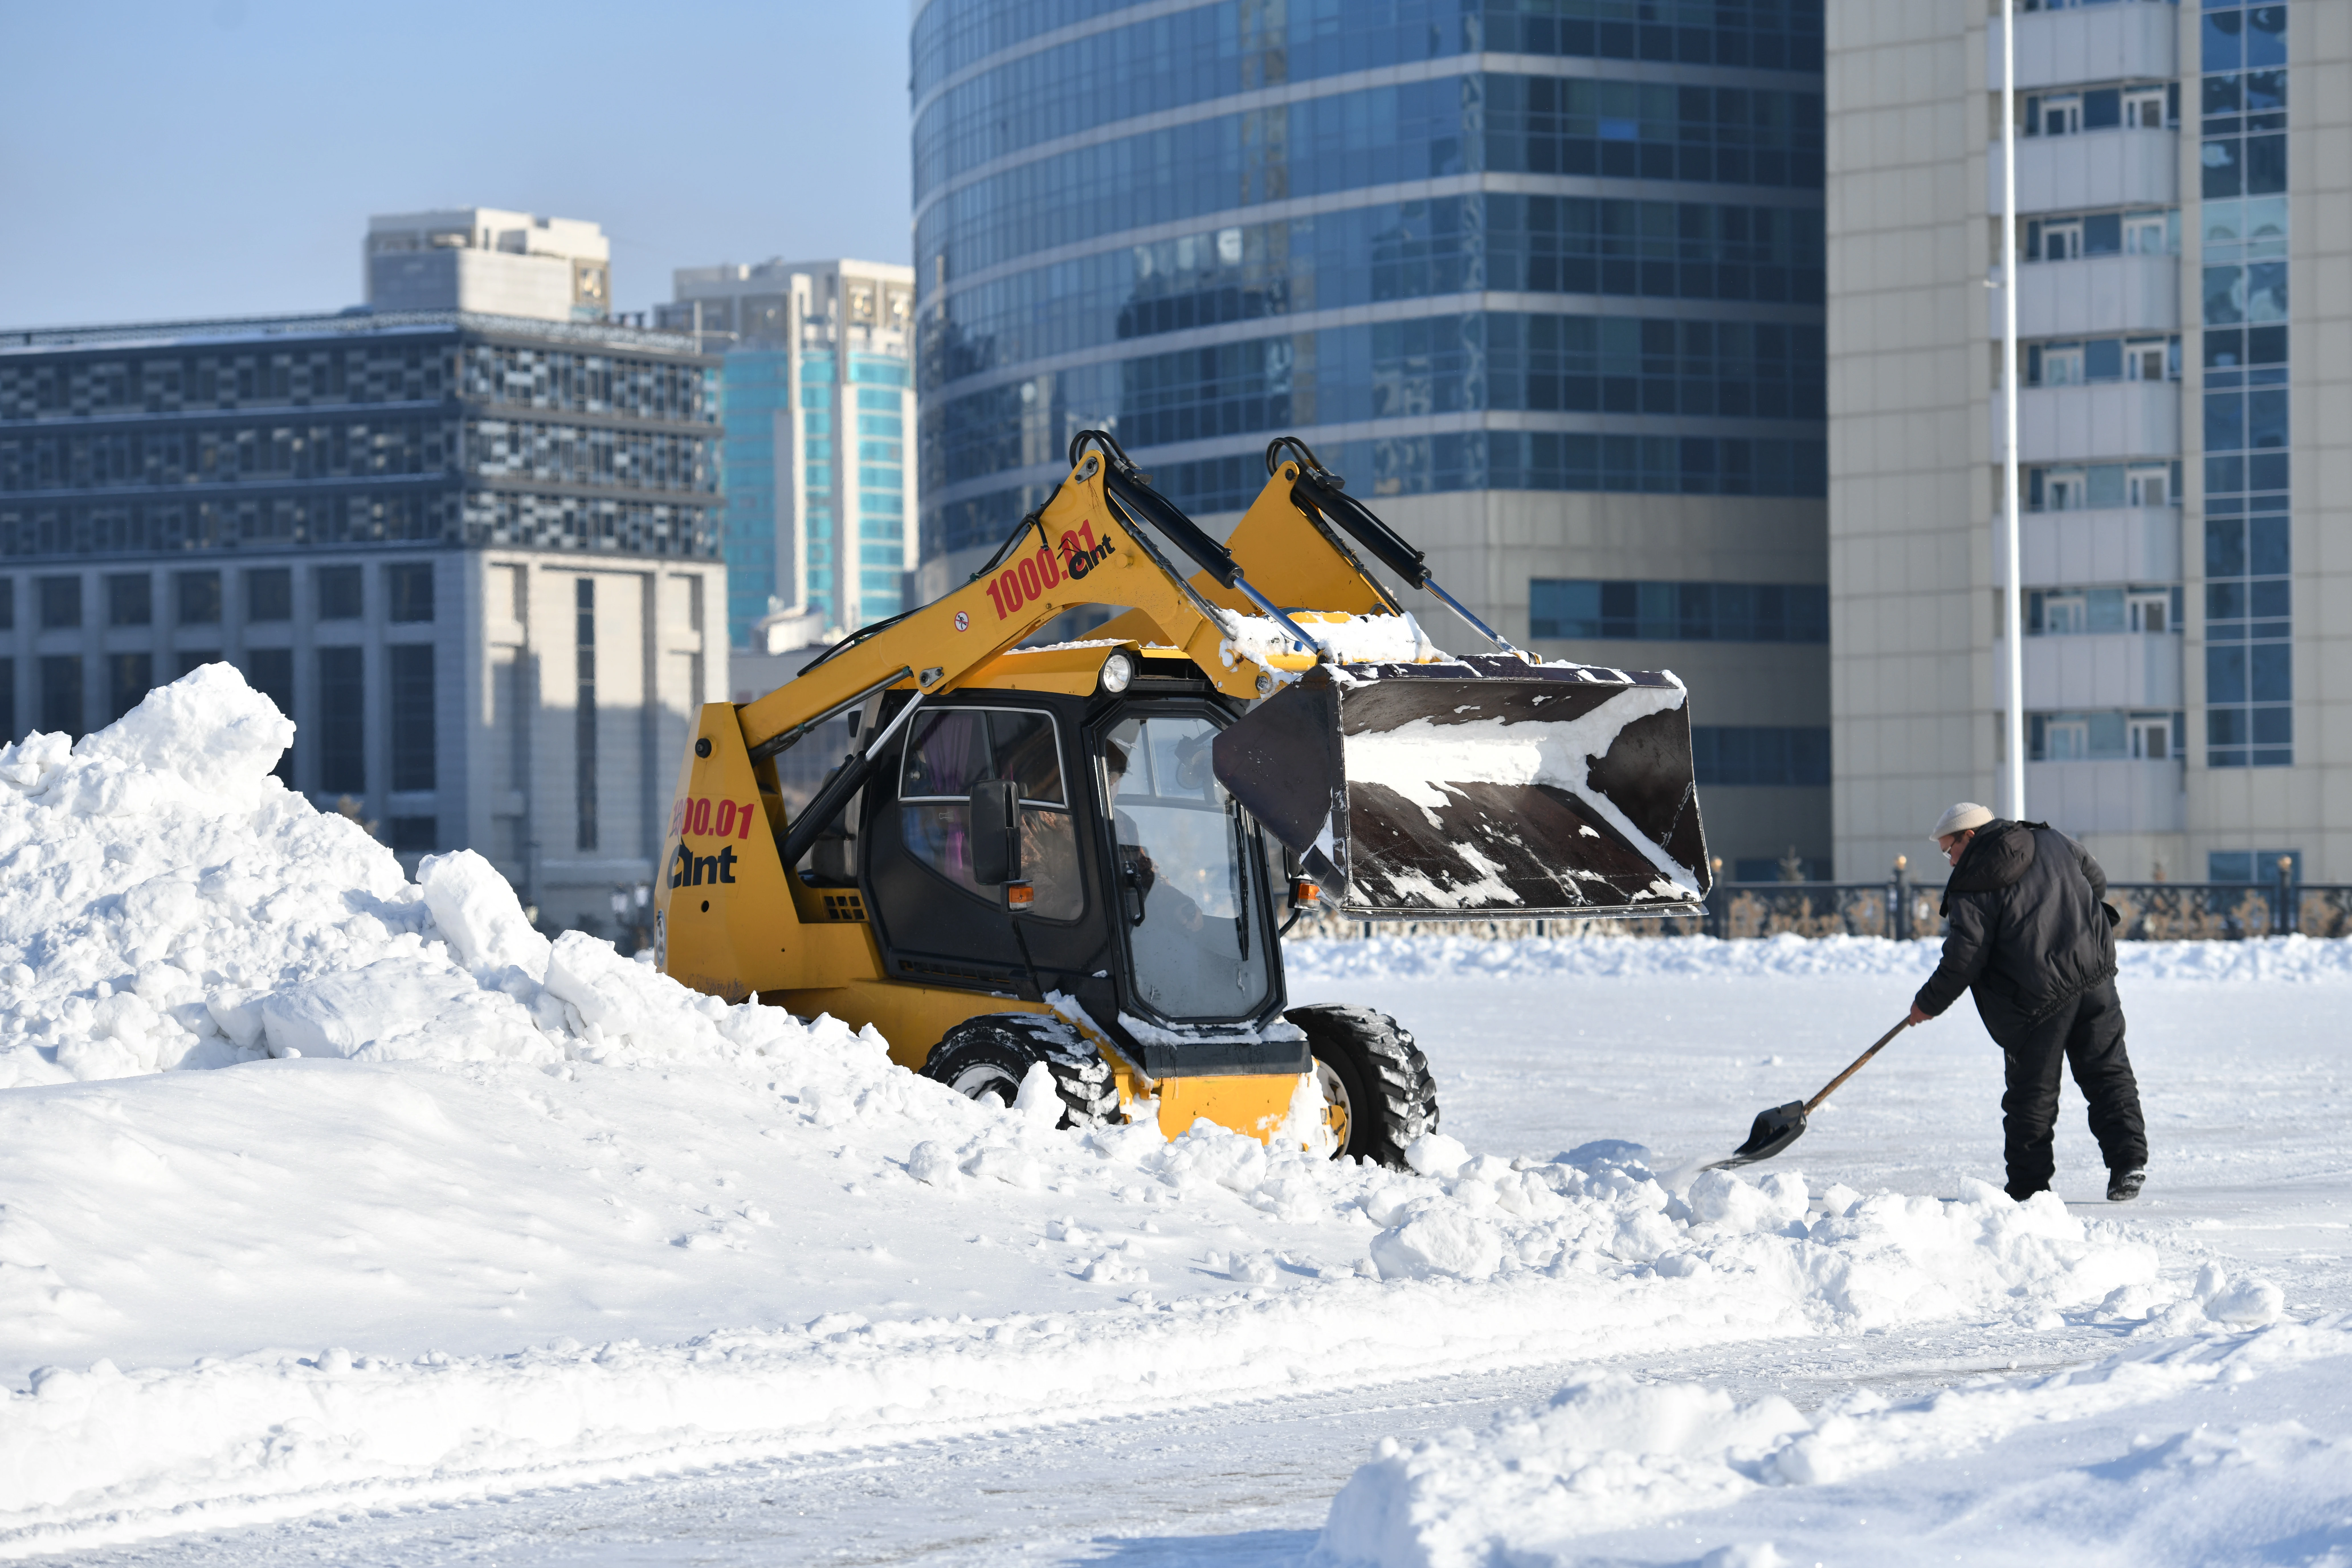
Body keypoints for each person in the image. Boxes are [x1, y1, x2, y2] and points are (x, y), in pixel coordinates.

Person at [1905, 802, 2149, 1203]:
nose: (1950, 862)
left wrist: (1927, 1004)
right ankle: (2129, 1163)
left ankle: (2028, 1189)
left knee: (2031, 1095)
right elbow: (2097, 882)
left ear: (1970, 836)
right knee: (2107, 1071)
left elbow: (1965, 957)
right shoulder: (2052, 839)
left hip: (2036, 996)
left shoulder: (1973, 881)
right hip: (2093, 972)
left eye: (1950, 851)